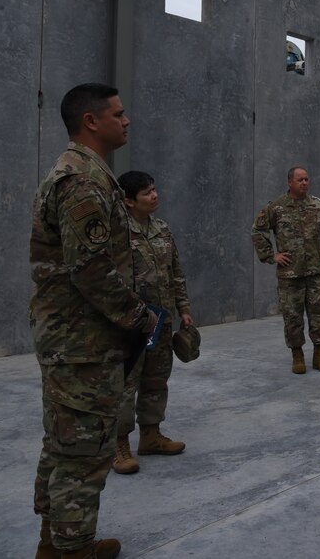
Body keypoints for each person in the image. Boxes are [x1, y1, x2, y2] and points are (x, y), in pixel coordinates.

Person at [29, 83, 158, 559]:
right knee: (82, 453)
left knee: (65, 443)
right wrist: (140, 318)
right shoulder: (82, 181)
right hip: (81, 341)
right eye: (118, 114)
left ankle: (57, 542)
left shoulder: (91, 174)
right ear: (91, 121)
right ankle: (72, 549)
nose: (126, 121)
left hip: (77, 338)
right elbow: (92, 270)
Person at [111, 171, 195, 475]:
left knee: (157, 377)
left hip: (162, 321)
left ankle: (151, 435)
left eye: (155, 190)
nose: (155, 196)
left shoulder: (163, 230)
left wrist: (183, 308)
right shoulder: (117, 234)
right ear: (129, 200)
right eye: (147, 193)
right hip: (131, 324)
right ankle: (119, 445)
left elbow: (176, 274)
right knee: (126, 384)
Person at [252, 167, 320, 374]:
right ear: (289, 182)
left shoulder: (318, 205)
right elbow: (258, 230)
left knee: (319, 315)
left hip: (315, 272)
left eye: (307, 179)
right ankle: (297, 355)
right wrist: (271, 255)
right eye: (300, 180)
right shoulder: (277, 207)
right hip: (290, 274)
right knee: (293, 317)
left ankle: (319, 354)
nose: (304, 183)